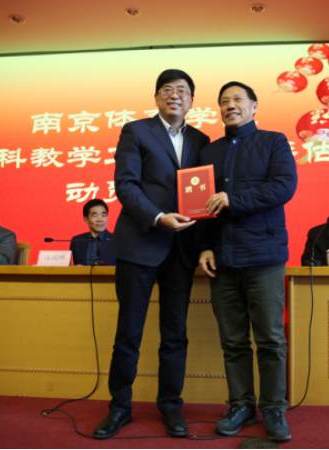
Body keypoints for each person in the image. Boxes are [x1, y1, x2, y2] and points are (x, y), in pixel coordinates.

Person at [94, 70, 210, 440]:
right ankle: (119, 407)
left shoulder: (201, 140)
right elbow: (125, 185)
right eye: (167, 90)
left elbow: (201, 197)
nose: (175, 95)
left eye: (182, 91)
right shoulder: (136, 131)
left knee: (175, 335)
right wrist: (159, 217)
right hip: (140, 244)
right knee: (128, 332)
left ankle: (171, 406)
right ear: (157, 97)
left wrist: (203, 242)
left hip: (181, 250)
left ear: (192, 100)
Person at [198, 82, 298, 442]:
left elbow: (284, 186)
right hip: (223, 260)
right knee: (233, 342)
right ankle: (241, 405)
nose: (230, 105)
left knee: (270, 340)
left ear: (254, 106)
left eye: (238, 99)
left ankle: (273, 407)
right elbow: (199, 205)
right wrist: (204, 246)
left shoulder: (273, 142)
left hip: (264, 257)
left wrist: (233, 198)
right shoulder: (209, 151)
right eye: (224, 101)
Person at [70, 199, 116, 266]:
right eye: (95, 216)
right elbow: (71, 267)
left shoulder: (116, 240)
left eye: (103, 215)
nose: (100, 219)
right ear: (86, 219)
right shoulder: (77, 241)